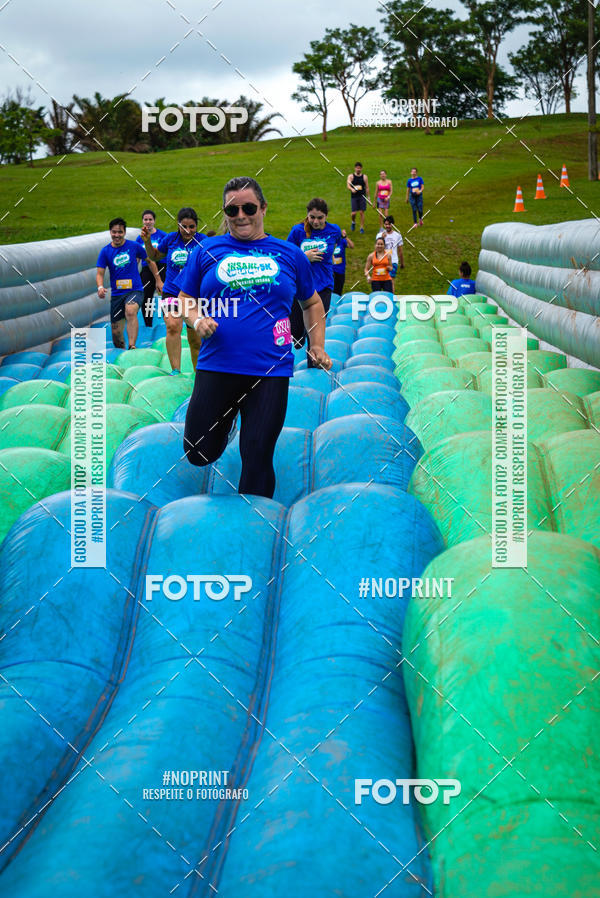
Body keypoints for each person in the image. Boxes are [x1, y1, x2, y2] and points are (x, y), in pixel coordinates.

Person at [177, 176, 331, 499]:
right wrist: (196, 319)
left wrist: (317, 346)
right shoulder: (206, 251)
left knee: (258, 454)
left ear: (263, 208)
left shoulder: (289, 255)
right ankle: (229, 417)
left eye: (248, 207)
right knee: (198, 451)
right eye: (232, 210)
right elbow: (185, 297)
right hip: (217, 366)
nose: (241, 215)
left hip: (270, 371)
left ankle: (257, 525)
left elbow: (313, 302)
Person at [142, 207, 205, 374]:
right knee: (172, 325)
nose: (188, 231)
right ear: (178, 225)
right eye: (184, 226)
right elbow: (155, 256)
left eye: (192, 227)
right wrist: (147, 242)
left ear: (196, 226)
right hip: (171, 291)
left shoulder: (203, 241)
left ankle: (197, 374)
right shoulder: (170, 239)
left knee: (195, 339)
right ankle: (175, 370)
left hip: (194, 294)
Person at [286, 198, 342, 366]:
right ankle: (300, 333)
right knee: (296, 334)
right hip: (300, 286)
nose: (316, 222)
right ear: (307, 215)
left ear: (326, 216)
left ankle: (314, 363)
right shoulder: (297, 232)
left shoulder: (334, 231)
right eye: (312, 217)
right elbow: (287, 257)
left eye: (320, 218)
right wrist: (305, 258)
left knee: (316, 329)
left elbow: (334, 249)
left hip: (323, 286)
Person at [96, 218, 145, 350]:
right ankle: (121, 351)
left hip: (135, 290)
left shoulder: (133, 246)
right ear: (110, 232)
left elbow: (150, 259)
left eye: (120, 232)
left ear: (124, 232)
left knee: (130, 311)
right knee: (116, 334)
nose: (117, 235)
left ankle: (132, 346)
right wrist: (100, 287)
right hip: (117, 294)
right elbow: (100, 273)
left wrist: (158, 279)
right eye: (114, 232)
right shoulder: (105, 251)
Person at [136, 209, 166, 327]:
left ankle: (167, 320)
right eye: (145, 220)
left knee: (165, 293)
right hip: (147, 268)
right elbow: (137, 257)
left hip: (162, 266)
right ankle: (148, 323)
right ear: (142, 221)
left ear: (154, 221)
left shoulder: (163, 235)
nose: (148, 222)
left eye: (150, 219)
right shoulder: (140, 238)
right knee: (146, 296)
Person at [376, 215, 404, 286]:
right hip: (381, 262)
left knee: (391, 282)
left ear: (392, 224)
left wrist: (402, 263)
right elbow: (377, 250)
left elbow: (400, 251)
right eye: (386, 224)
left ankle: (391, 296)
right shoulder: (379, 235)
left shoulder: (398, 236)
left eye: (389, 224)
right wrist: (382, 238)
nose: (387, 226)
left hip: (393, 262)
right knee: (381, 282)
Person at [346, 162, 370, 233]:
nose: (358, 169)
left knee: (361, 212)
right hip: (354, 196)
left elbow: (367, 187)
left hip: (362, 196)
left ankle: (361, 228)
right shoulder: (351, 176)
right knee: (353, 213)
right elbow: (348, 185)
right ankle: (353, 222)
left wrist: (368, 197)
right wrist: (351, 189)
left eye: (359, 168)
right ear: (355, 168)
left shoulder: (364, 177)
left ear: (361, 168)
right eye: (357, 168)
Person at [332, 228, 354, 296]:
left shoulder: (342, 242)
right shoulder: (329, 243)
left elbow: (352, 246)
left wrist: (345, 237)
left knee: (338, 291)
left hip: (340, 270)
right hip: (331, 271)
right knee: (331, 291)